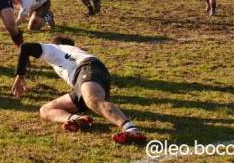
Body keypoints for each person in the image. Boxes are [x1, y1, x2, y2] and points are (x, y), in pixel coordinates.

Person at [10, 35, 147, 145]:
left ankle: (131, 130)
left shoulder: (55, 48)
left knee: (92, 100)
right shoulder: (69, 55)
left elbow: (25, 47)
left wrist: (20, 76)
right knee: (45, 110)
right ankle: (77, 119)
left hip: (87, 68)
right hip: (82, 82)